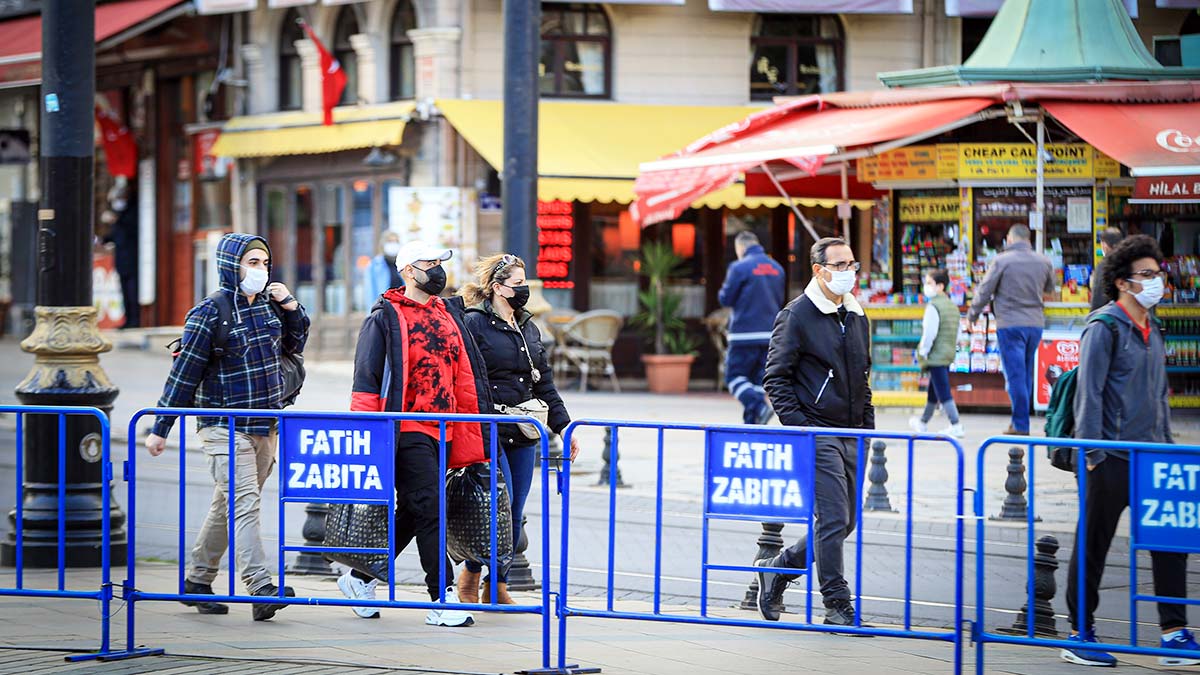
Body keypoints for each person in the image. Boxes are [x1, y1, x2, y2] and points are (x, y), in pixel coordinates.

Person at [145, 233, 309, 621]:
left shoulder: (269, 307)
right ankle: (260, 586)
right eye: (252, 263)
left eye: (264, 263)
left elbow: (295, 343)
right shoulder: (208, 313)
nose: (261, 270)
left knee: (227, 503)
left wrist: (290, 305)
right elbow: (183, 376)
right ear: (230, 266)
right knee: (245, 503)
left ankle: (198, 580)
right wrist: (161, 428)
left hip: (266, 423)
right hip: (223, 425)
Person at [1061, 235, 1200, 668]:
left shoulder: (1151, 328)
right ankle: (1079, 632)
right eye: (1147, 275)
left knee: (1168, 541)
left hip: (1152, 455)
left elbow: (1158, 395)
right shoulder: (1104, 327)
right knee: (1094, 544)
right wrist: (1092, 454)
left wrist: (1168, 448)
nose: (1157, 282)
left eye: (1159, 275)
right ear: (1123, 282)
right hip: (1110, 455)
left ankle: (1173, 634)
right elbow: (1090, 395)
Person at [340, 240, 493, 627]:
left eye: (440, 263)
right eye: (429, 263)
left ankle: (358, 577)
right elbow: (366, 379)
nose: (438, 271)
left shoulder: (447, 314)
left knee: (415, 509)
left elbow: (464, 375)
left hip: (445, 429)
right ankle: (440, 599)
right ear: (408, 270)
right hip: (404, 427)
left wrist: (472, 428)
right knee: (430, 510)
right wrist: (368, 439)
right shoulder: (385, 316)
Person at [755, 237, 874, 627]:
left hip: (854, 431)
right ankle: (837, 604)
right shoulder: (797, 315)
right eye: (839, 266)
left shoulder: (856, 315)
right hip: (816, 430)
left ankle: (778, 569)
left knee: (845, 521)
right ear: (818, 271)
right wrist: (803, 429)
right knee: (834, 518)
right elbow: (775, 379)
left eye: (851, 265)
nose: (847, 273)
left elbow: (862, 376)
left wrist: (867, 426)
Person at [457, 254, 580, 604]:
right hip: (489, 427)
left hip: (525, 430)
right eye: (517, 284)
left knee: (515, 510)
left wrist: (565, 426)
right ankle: (471, 572)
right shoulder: (474, 323)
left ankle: (497, 585)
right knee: (495, 506)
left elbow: (545, 382)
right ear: (497, 287)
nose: (523, 290)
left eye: (524, 283)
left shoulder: (527, 325)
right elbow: (468, 379)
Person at [967, 225, 1055, 436]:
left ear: (1010, 239)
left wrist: (972, 316)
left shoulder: (1001, 261)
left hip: (1010, 324)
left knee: (1015, 376)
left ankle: (1020, 424)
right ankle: (1019, 419)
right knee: (1025, 374)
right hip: (1035, 324)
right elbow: (1050, 291)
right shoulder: (1044, 261)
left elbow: (984, 291)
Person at [718, 231, 785, 425]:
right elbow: (778, 299)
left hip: (743, 333)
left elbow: (725, 298)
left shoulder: (739, 268)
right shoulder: (777, 269)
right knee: (757, 382)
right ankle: (752, 423)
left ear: (741, 248)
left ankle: (760, 407)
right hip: (770, 333)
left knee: (733, 377)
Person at [909, 268, 963, 439]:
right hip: (948, 354)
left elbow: (929, 333)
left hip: (936, 355)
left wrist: (923, 352)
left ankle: (956, 424)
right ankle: (923, 422)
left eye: (930, 283)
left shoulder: (933, 306)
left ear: (940, 286)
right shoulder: (952, 307)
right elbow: (958, 332)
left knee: (943, 391)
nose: (926, 287)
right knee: (934, 389)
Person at [1089, 227, 1124, 311]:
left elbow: (1098, 299)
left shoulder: (1104, 266)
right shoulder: (1130, 262)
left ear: (1104, 245)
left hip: (1110, 316)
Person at [365, 230, 404, 305]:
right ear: (383, 244)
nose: (393, 244)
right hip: (384, 307)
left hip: (402, 307)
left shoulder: (403, 264)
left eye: (396, 241)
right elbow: (370, 292)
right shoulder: (375, 265)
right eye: (390, 241)